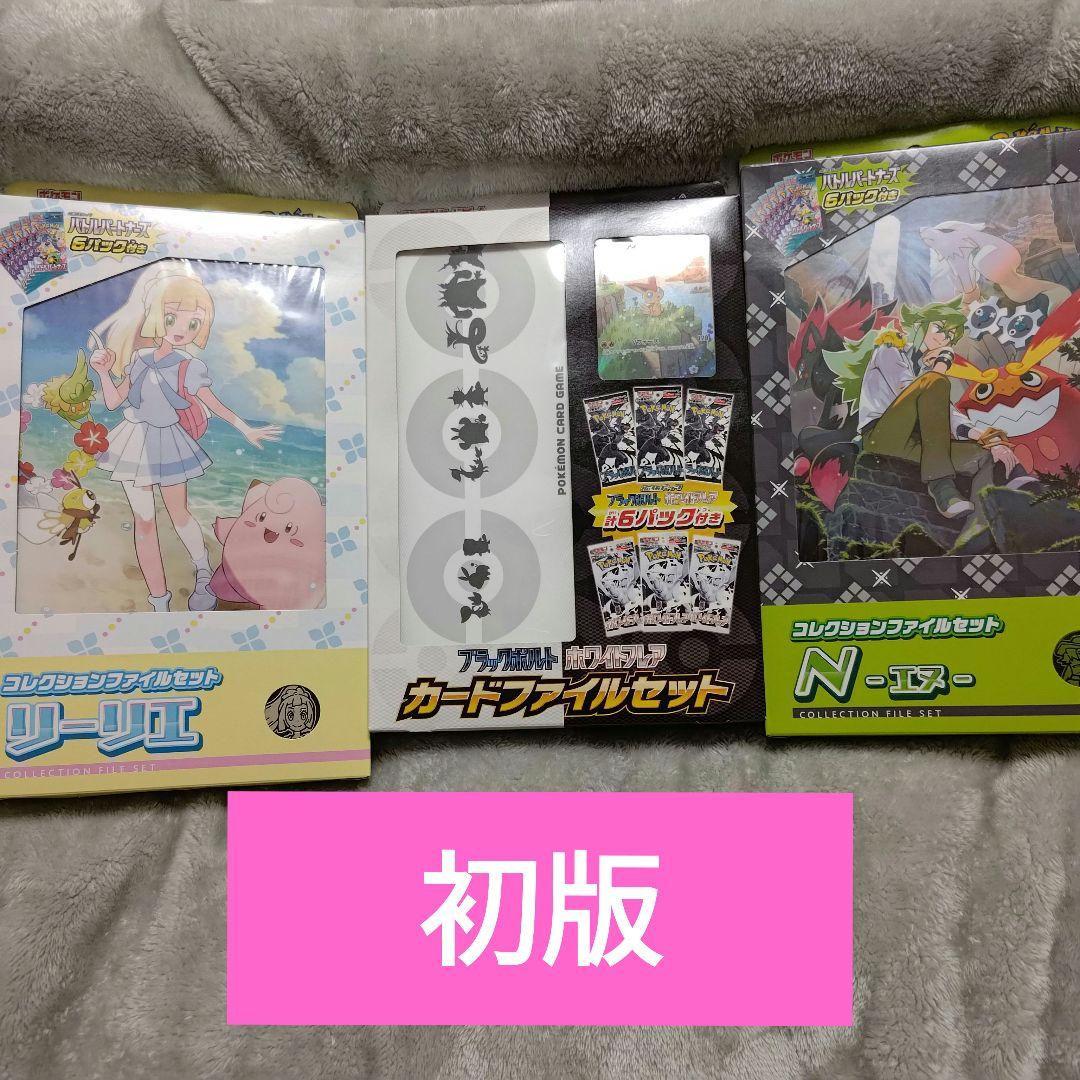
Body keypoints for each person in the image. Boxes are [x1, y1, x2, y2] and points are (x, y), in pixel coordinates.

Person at [88, 262, 282, 612]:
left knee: (179, 515)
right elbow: (115, 402)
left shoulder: (189, 366)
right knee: (144, 522)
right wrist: (102, 372)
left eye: (193, 323)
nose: (181, 329)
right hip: (132, 441)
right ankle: (158, 601)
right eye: (172, 317)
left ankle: (203, 571)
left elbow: (213, 403)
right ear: (156, 316)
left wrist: (245, 427)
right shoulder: (139, 358)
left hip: (168, 442)